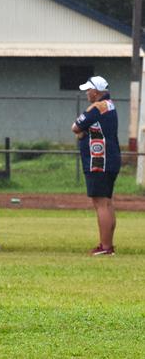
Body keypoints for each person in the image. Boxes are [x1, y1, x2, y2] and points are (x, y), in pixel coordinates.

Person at [72, 76, 121, 255]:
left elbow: (76, 127)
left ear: (96, 91)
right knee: (107, 203)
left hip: (98, 159)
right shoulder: (110, 105)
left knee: (100, 203)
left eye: (88, 90)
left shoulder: (97, 107)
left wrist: (82, 133)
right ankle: (108, 244)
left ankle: (105, 246)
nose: (86, 93)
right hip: (111, 158)